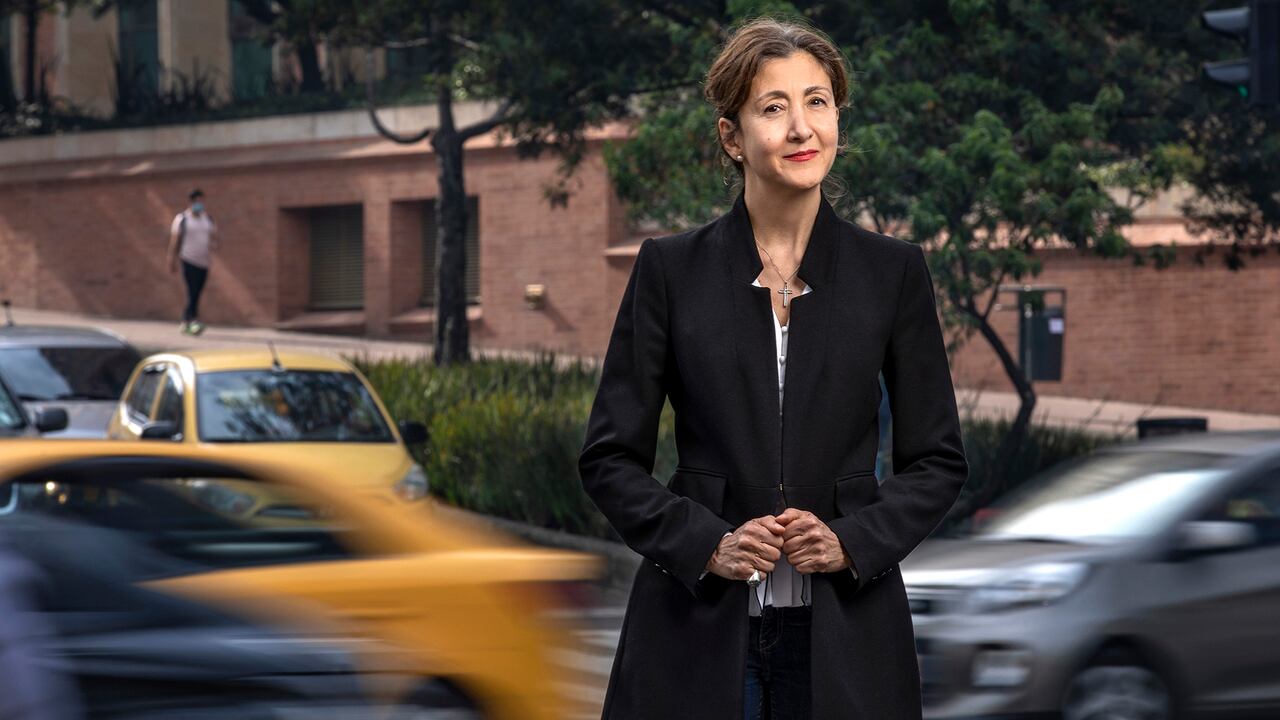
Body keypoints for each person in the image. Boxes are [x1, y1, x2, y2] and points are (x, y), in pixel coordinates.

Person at [578, 17, 968, 720]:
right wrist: (708, 544)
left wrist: (852, 541)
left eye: (817, 102)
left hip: (848, 642)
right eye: (773, 107)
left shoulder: (893, 273)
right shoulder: (670, 271)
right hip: (695, 637)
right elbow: (609, 458)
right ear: (733, 137)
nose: (801, 128)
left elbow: (937, 460)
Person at [167, 188, 217, 335]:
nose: (200, 204)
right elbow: (175, 240)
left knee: (198, 291)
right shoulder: (182, 219)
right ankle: (193, 320)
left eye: (202, 201)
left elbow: (214, 237)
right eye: (197, 201)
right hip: (188, 259)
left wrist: (214, 245)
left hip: (204, 261)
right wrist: (171, 259)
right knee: (192, 290)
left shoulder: (207, 219)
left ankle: (186, 321)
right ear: (191, 202)